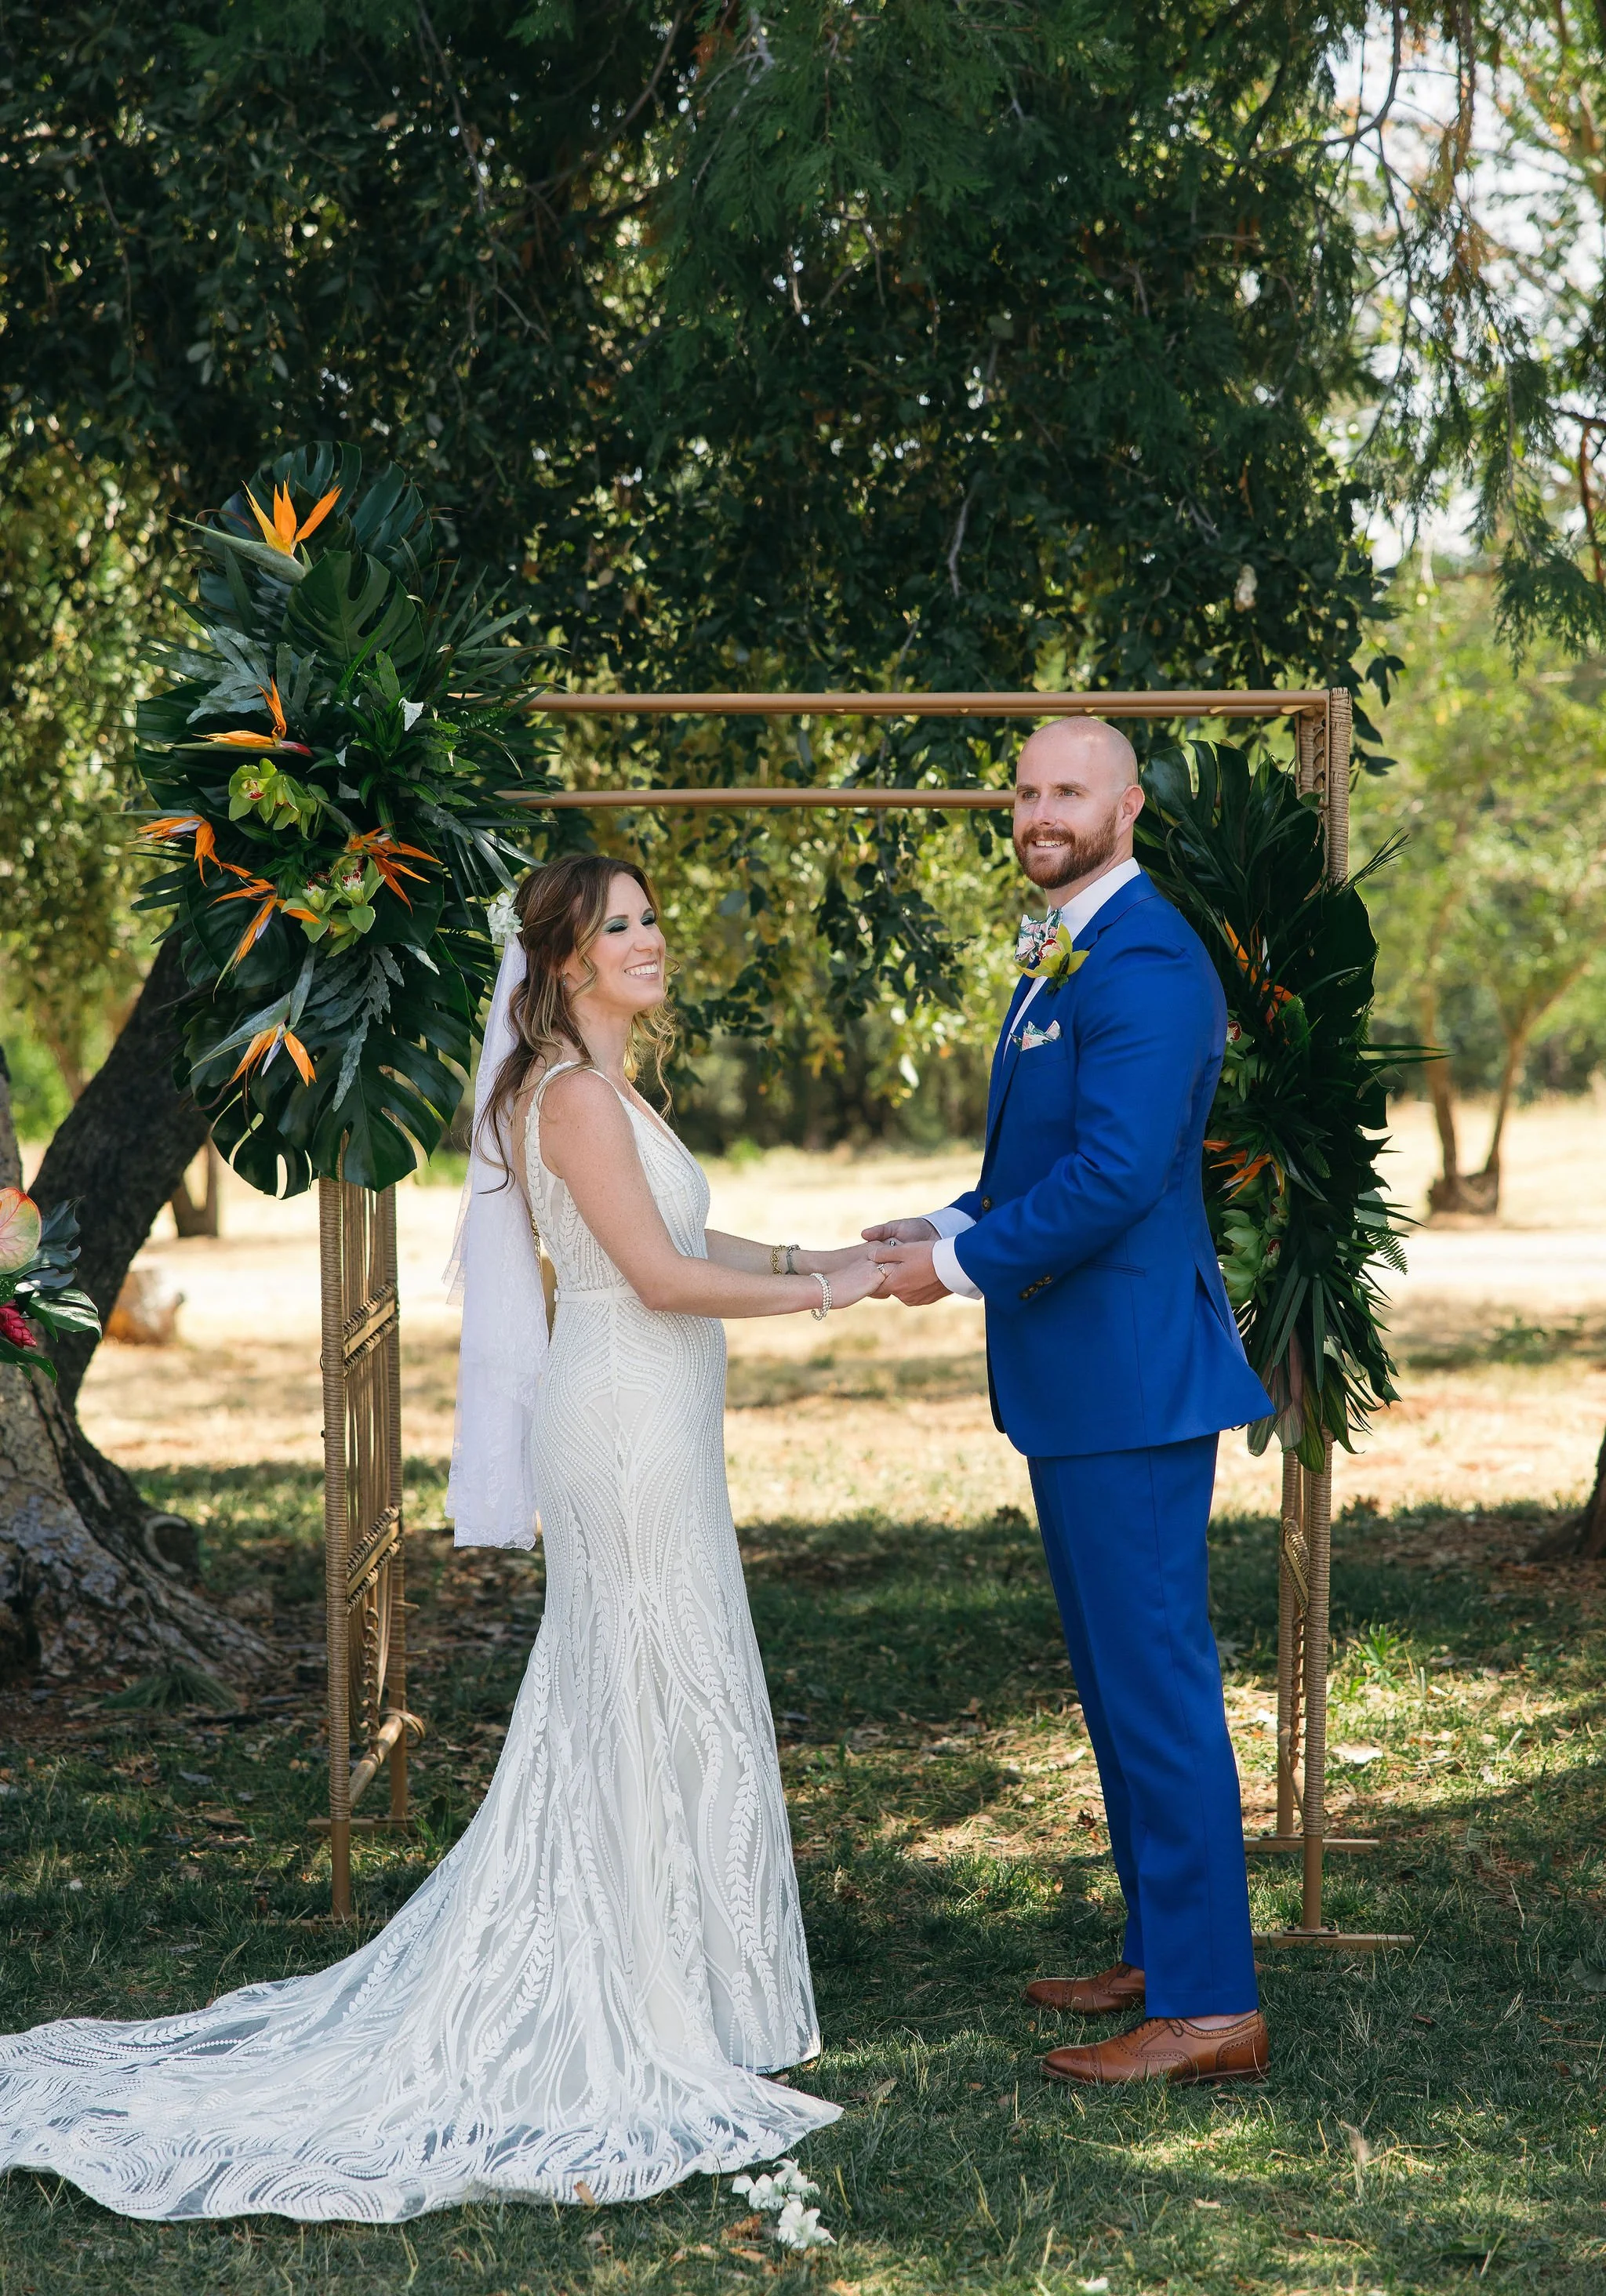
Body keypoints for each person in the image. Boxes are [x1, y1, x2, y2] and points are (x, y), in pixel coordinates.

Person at [0, 853, 884, 2221]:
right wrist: (830, 1298)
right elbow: (653, 1279)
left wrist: (830, 1259)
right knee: (645, 1675)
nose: (652, 941)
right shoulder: (575, 1097)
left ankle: (694, 1978)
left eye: (653, 917)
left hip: (653, 1413)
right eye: (623, 928)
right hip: (625, 1420)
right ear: (568, 960)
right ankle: (642, 1987)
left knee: (658, 1677)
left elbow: (695, 1236)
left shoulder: (601, 1088)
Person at [867, 718, 1275, 2087]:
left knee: (1157, 1687)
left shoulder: (1149, 954)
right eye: (1027, 789)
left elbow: (1113, 1177)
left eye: (1068, 791)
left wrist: (958, 1267)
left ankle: (1213, 2007)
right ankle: (1162, 1946)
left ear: (1128, 805)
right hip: (1080, 1382)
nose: (1039, 811)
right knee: (1116, 1686)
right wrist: (930, 1223)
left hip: (1132, 1383)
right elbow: (1040, 1155)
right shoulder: (1068, 944)